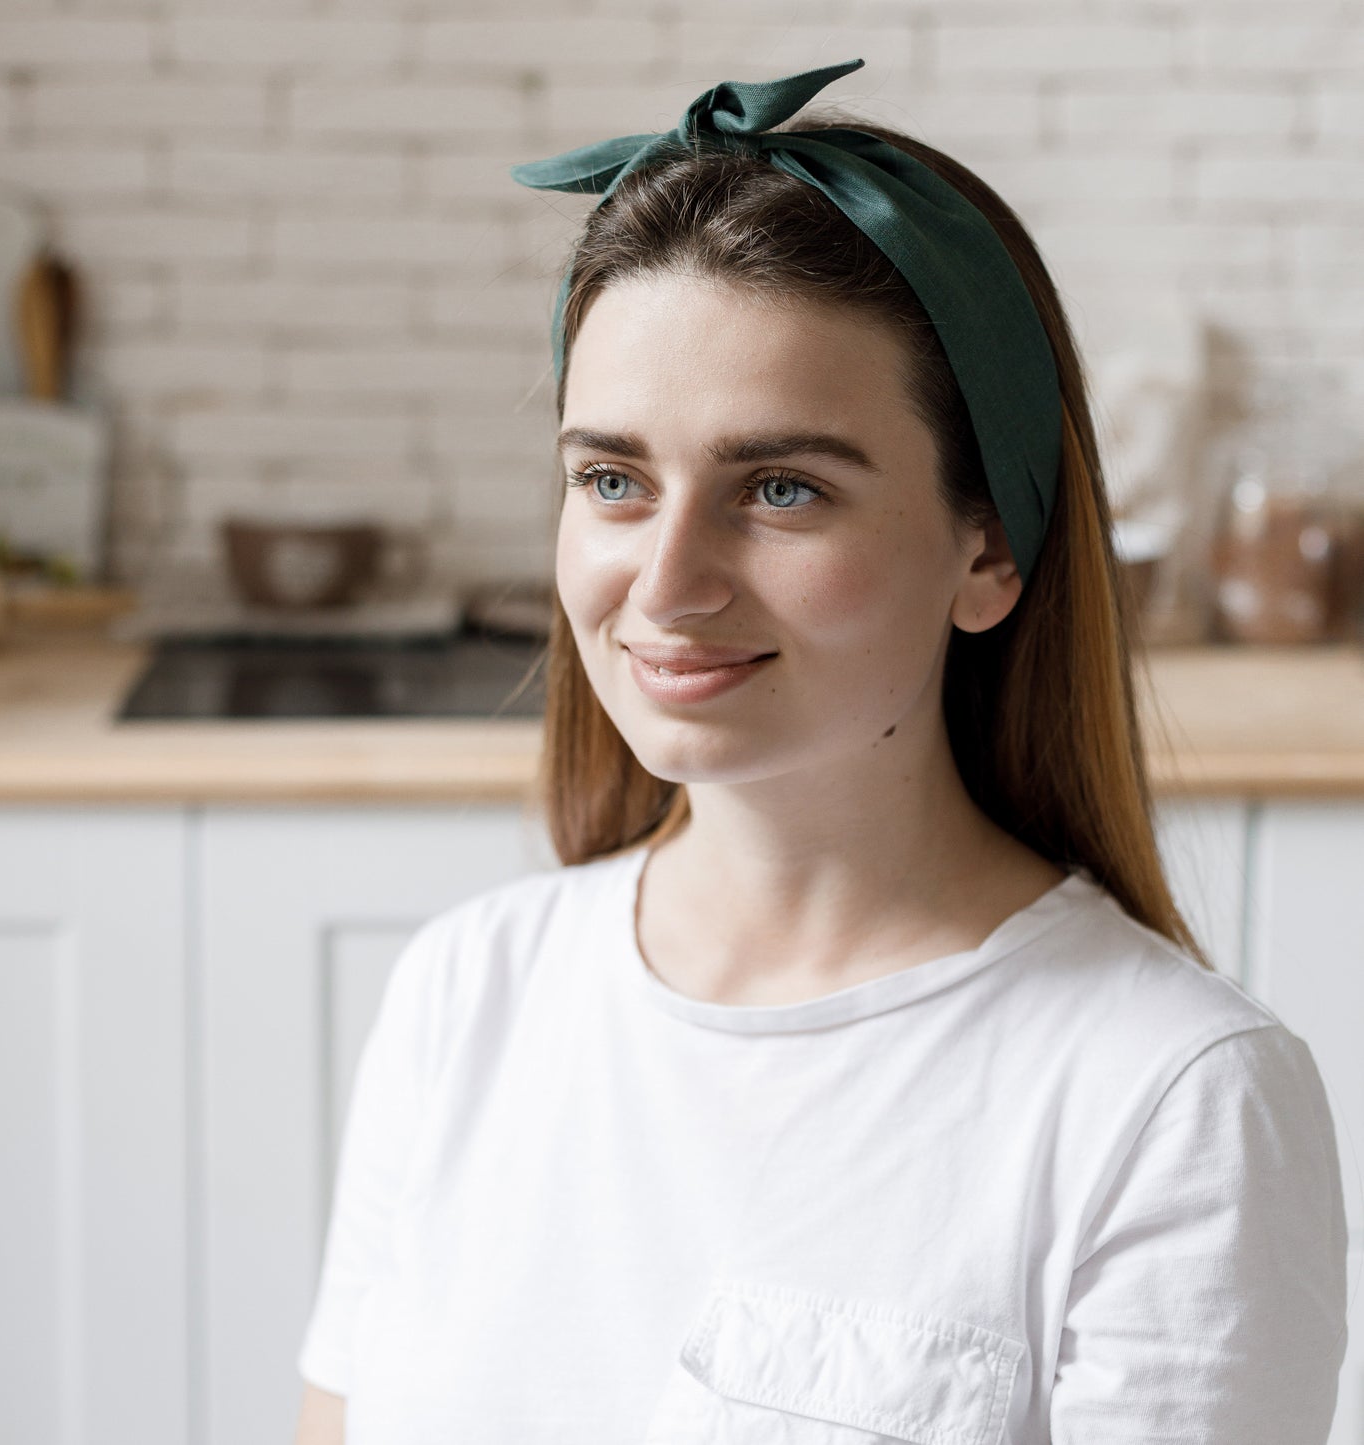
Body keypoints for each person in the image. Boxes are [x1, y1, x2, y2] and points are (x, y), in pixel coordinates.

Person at [292, 59, 1348, 1444]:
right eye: (611, 480)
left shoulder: (1171, 1104)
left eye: (778, 487)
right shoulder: (464, 995)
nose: (664, 583)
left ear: (987, 547)